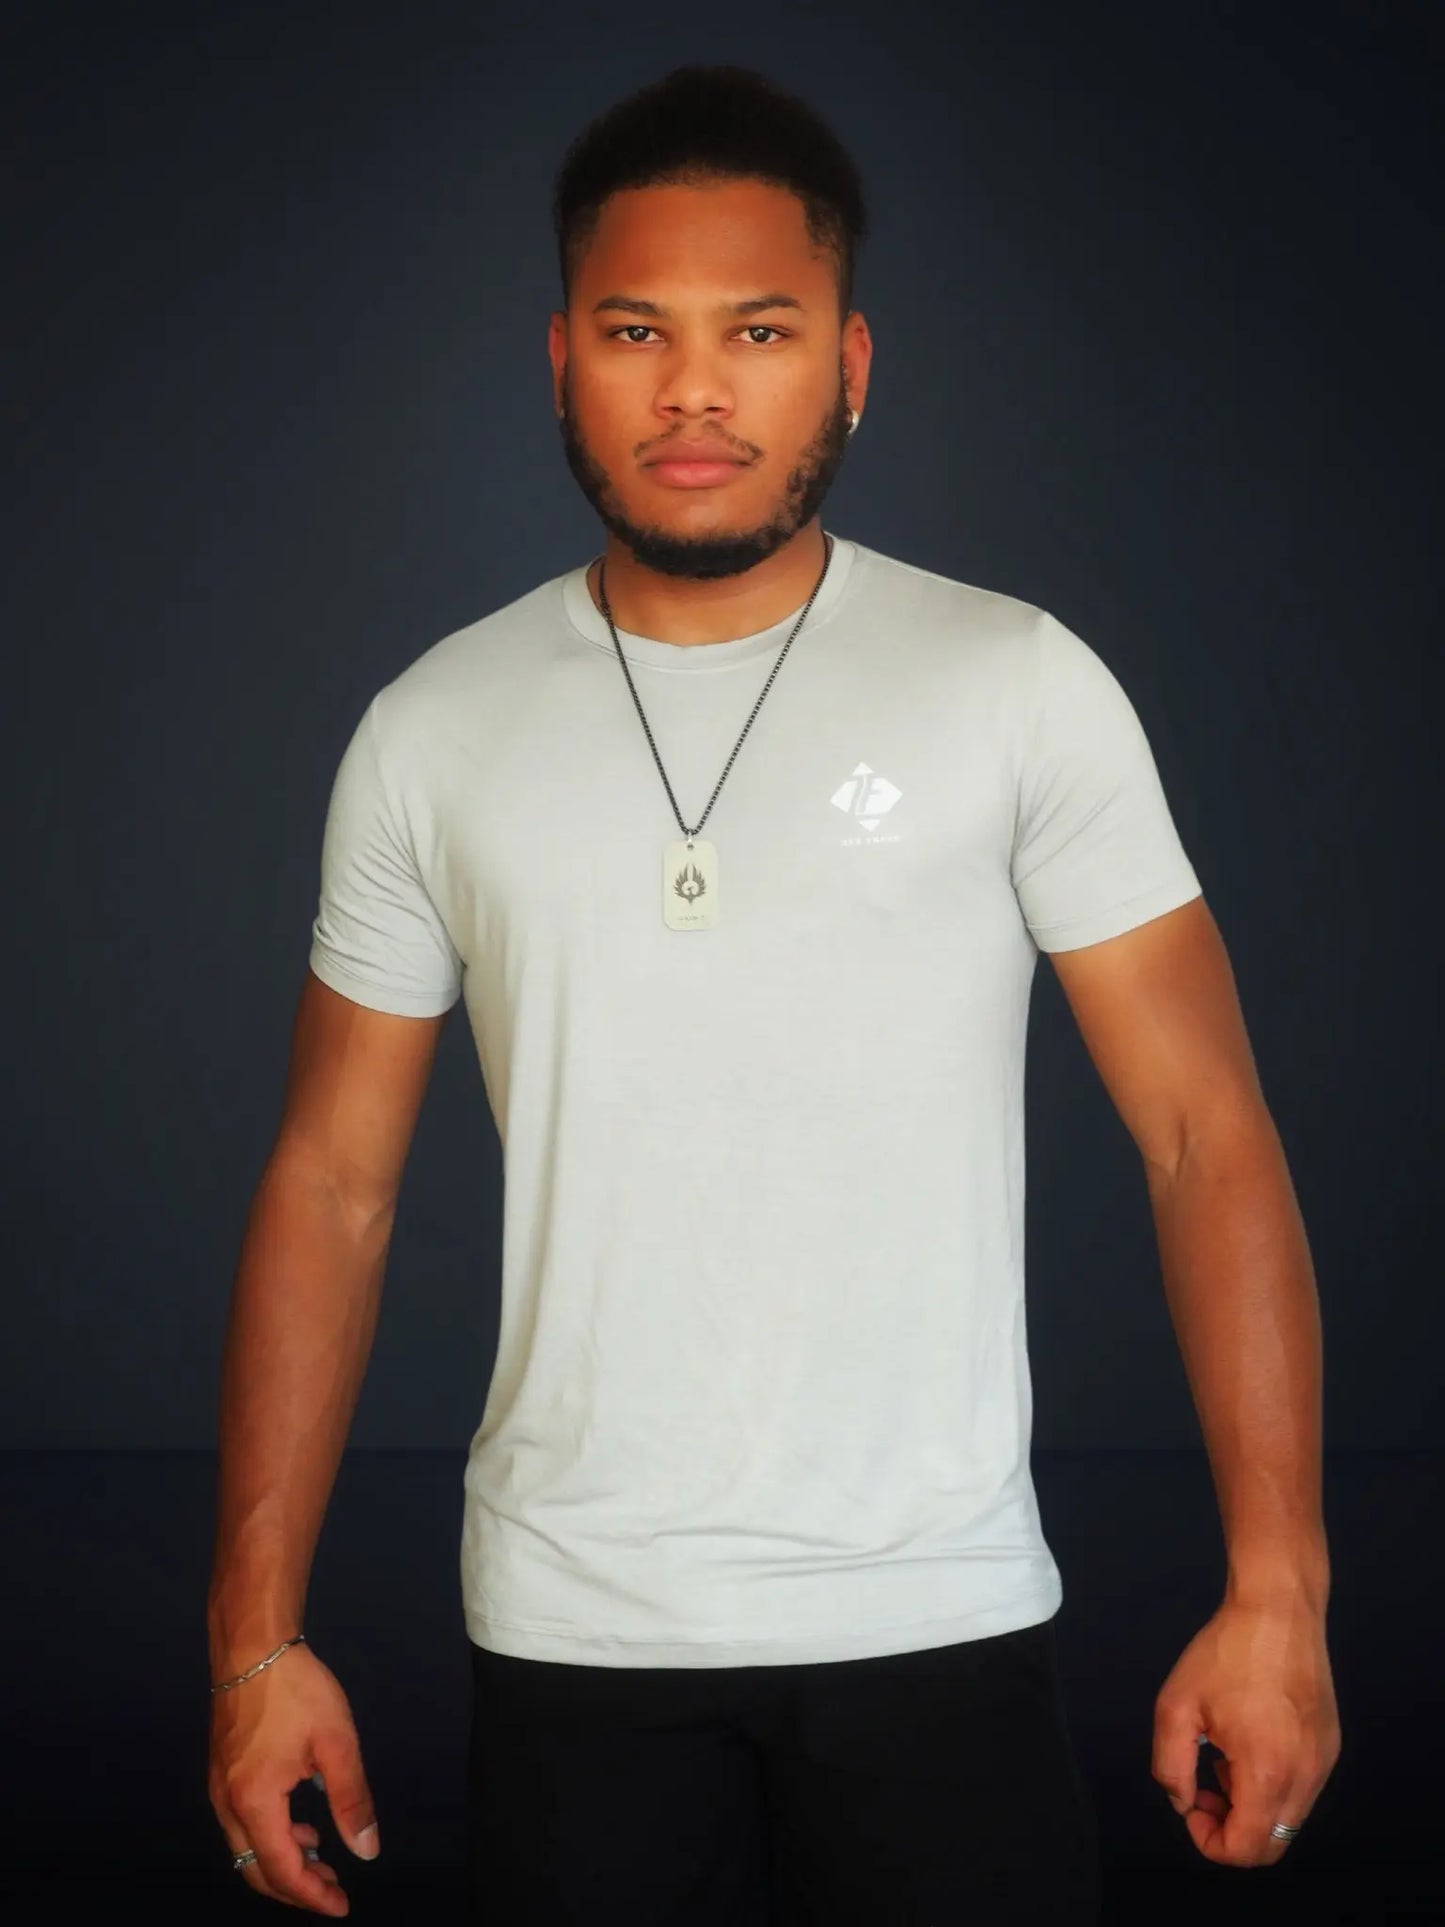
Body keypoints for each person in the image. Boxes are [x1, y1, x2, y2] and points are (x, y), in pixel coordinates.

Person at [207, 61, 1340, 1925]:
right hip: (573, 1636)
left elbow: (1202, 1135)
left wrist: (1277, 1594)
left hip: (940, 1618)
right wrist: (254, 1644)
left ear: (850, 360)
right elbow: (331, 1185)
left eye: (759, 329)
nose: (694, 389)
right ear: (559, 356)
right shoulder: (429, 731)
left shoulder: (1017, 685)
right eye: (635, 330)